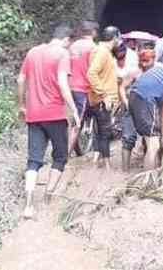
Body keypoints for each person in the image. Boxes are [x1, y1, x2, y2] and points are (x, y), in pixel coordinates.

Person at [17, 24, 79, 219]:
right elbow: (63, 83)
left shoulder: (33, 52)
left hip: (33, 114)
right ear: (66, 40)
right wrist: (75, 110)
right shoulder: (62, 54)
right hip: (55, 114)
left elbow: (20, 80)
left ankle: (28, 206)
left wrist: (21, 105)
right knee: (60, 157)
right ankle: (47, 198)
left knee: (33, 160)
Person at [86, 25, 121, 169]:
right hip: (102, 100)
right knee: (105, 133)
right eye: (119, 37)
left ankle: (97, 164)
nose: (120, 41)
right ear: (114, 38)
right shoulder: (102, 52)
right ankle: (107, 167)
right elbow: (91, 73)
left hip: (97, 98)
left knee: (100, 132)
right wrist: (104, 94)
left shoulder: (99, 50)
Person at [119, 48, 156, 172]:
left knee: (150, 137)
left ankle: (148, 169)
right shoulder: (135, 72)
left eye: (147, 61)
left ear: (153, 60)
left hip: (148, 108)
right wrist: (126, 103)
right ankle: (125, 171)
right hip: (131, 107)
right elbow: (122, 88)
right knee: (128, 137)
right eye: (142, 60)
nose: (144, 63)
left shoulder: (156, 72)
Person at [67, 20, 99, 156]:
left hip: (68, 87)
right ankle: (64, 156)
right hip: (83, 88)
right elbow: (95, 70)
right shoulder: (93, 48)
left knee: (72, 118)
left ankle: (76, 149)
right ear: (93, 32)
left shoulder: (72, 47)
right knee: (77, 122)